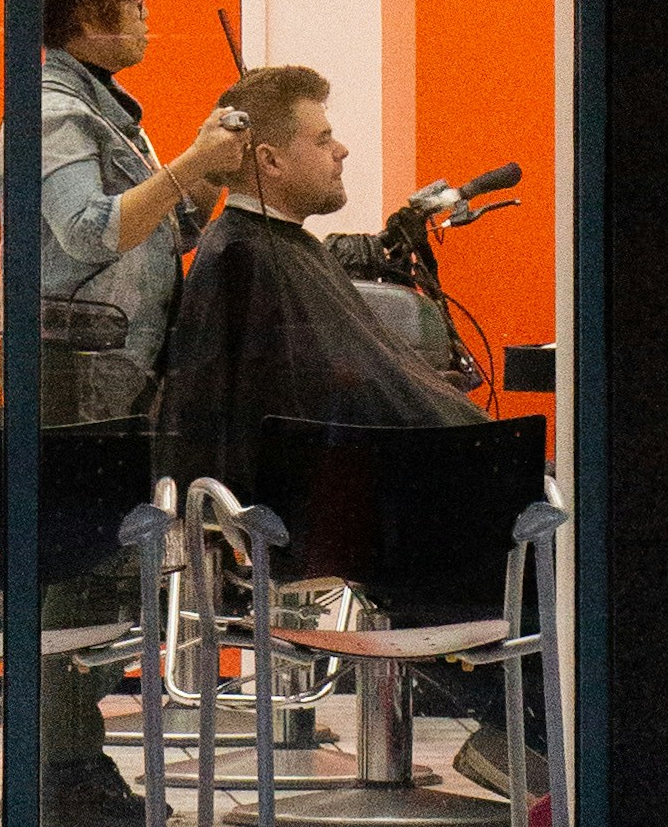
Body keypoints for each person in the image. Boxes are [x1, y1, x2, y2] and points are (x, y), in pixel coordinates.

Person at [33, 0, 250, 827]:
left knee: (97, 572)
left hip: (114, 367)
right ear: (88, 17)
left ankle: (72, 766)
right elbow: (89, 232)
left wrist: (208, 179)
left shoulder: (104, 108)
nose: (147, 18)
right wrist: (193, 165)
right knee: (72, 576)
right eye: (135, 3)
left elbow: (154, 231)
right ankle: (62, 772)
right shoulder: (49, 107)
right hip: (75, 371)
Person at [152, 62, 480, 512]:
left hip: (364, 481)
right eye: (323, 139)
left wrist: (419, 388)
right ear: (270, 160)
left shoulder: (277, 247)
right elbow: (314, 402)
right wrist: (424, 403)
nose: (341, 150)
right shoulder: (249, 256)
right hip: (341, 503)